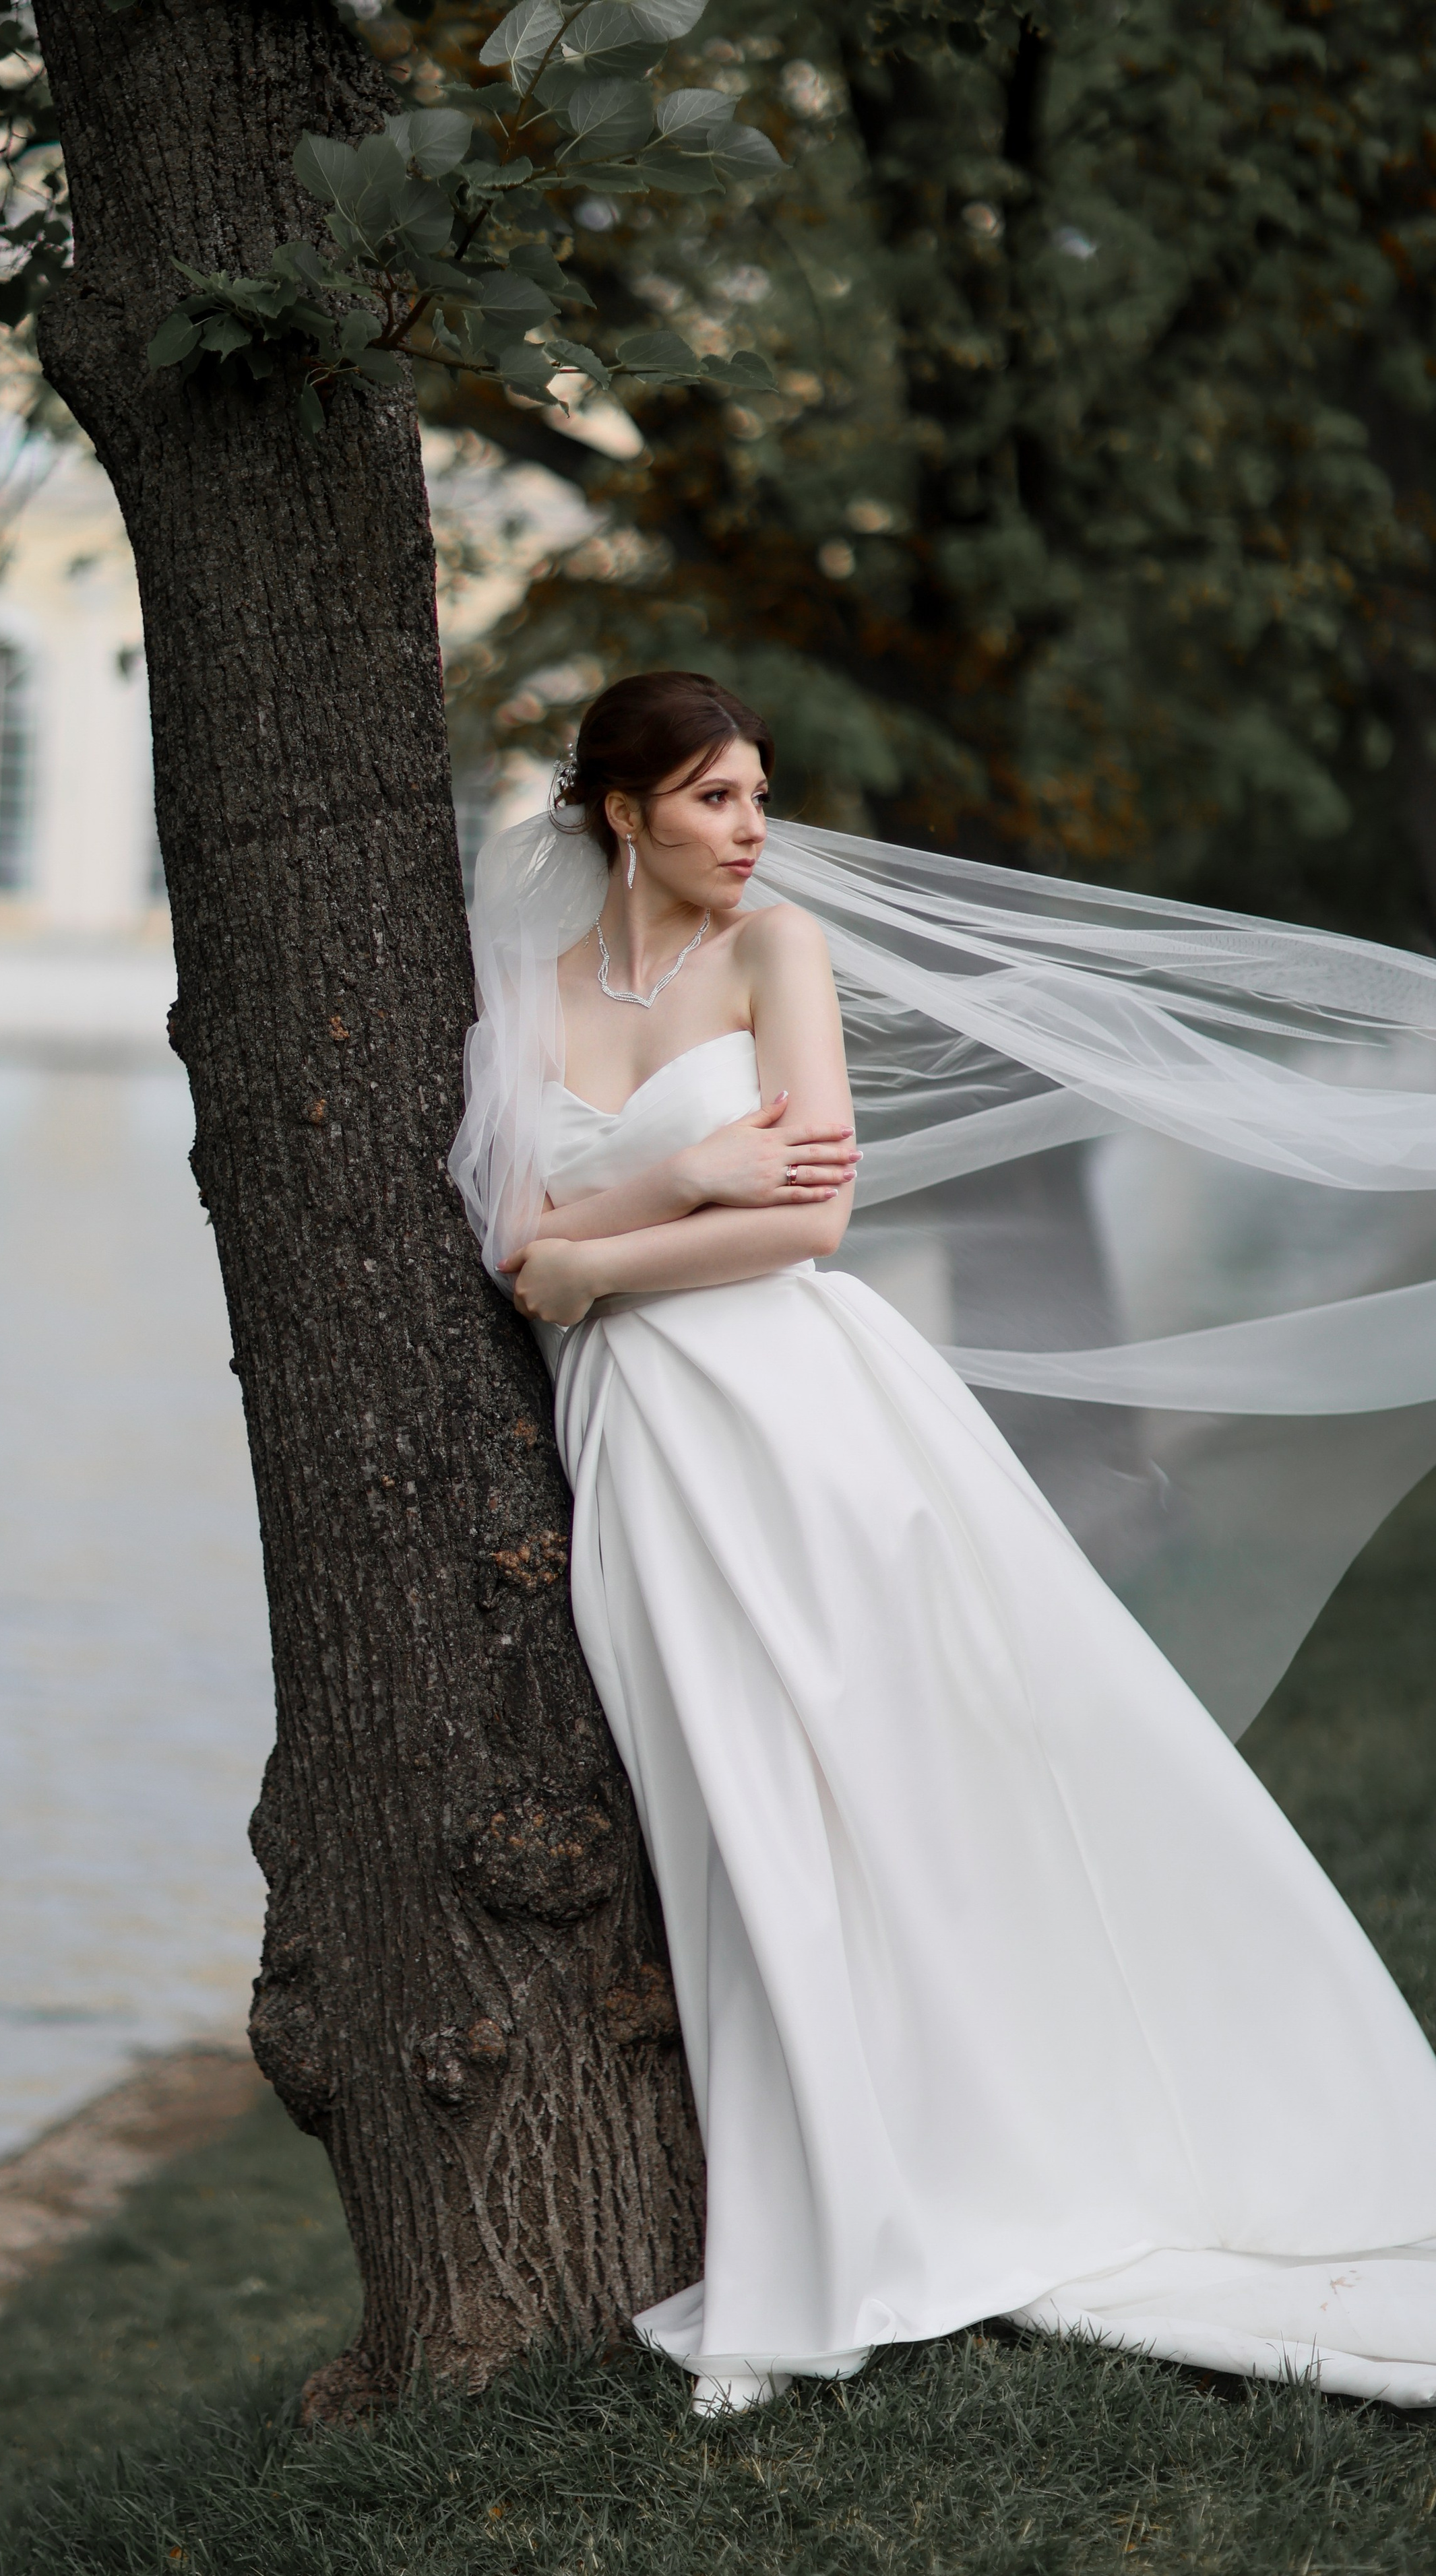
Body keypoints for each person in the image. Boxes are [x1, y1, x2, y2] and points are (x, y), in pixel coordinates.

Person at [449, 670, 1436, 2418]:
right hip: (646, 1449)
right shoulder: (522, 1000)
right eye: (717, 801)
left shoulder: (779, 956)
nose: (754, 829)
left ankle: (987, 2171)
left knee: (912, 1787)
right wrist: (673, 1192)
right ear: (623, 814)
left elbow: (810, 1219)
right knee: (729, 1820)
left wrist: (602, 1258)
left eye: (760, 794)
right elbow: (518, 1247)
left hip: (808, 1423)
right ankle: (824, 2214)